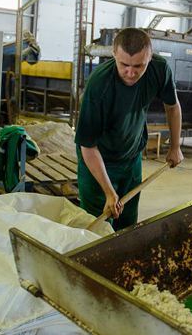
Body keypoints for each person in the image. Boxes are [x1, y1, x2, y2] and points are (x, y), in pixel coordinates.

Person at [75, 28, 183, 231]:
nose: (130, 73)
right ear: (113, 54)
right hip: (99, 162)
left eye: (138, 66)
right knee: (98, 230)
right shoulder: (99, 85)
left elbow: (172, 106)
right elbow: (88, 146)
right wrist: (108, 191)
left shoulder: (159, 69)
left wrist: (175, 146)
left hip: (131, 159)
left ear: (149, 56)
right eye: (124, 64)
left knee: (127, 225)